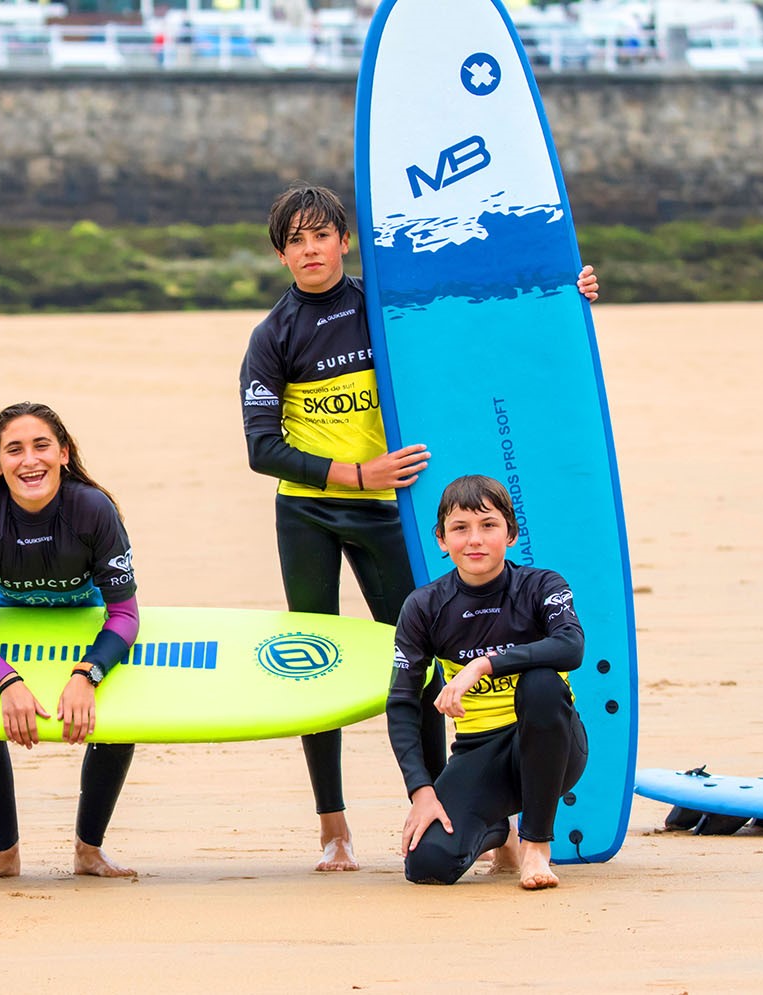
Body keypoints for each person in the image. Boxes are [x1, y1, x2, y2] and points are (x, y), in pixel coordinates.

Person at [238, 182, 598, 871]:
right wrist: (357, 472)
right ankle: (333, 827)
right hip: (309, 511)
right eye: (295, 240)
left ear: (345, 241)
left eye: (322, 235)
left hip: (389, 514)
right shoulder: (273, 335)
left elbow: (474, 323)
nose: (310, 250)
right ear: (281, 255)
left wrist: (561, 293)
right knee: (316, 663)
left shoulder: (385, 306)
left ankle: (455, 802)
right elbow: (262, 447)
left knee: (425, 657)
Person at [0, 401, 139, 881]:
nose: (30, 460)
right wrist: (7, 681)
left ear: (64, 453)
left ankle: (89, 851)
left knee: (118, 715)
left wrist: (88, 672)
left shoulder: (92, 508)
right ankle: (3, 854)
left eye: (41, 445)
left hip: (81, 616)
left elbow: (125, 614)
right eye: (15, 450)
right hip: (5, 616)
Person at [388, 475, 588, 890]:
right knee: (427, 866)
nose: (474, 540)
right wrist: (421, 792)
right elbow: (403, 702)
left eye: (488, 525)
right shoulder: (424, 606)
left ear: (510, 534)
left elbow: (571, 647)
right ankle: (496, 830)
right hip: (479, 751)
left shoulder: (541, 586)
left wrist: (483, 664)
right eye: (460, 528)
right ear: (441, 539)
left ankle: (535, 844)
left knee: (542, 684)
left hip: (553, 745)